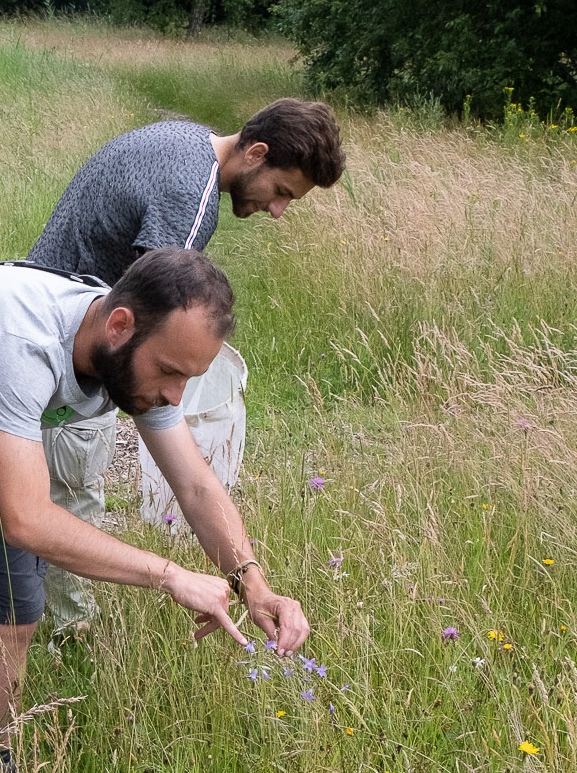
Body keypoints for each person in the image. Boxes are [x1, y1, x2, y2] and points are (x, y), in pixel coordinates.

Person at [0, 248, 309, 773]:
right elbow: (28, 519)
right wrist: (168, 574)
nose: (174, 395)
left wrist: (252, 581)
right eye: (170, 372)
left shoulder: (138, 357)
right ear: (119, 325)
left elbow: (196, 486)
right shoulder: (20, 339)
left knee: (13, 617)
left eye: (187, 379)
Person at [29, 98, 345, 637]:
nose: (277, 211)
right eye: (283, 192)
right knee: (67, 501)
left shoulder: (183, 141)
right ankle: (66, 633)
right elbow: (162, 318)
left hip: (54, 326)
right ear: (257, 153)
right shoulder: (191, 197)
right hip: (69, 366)